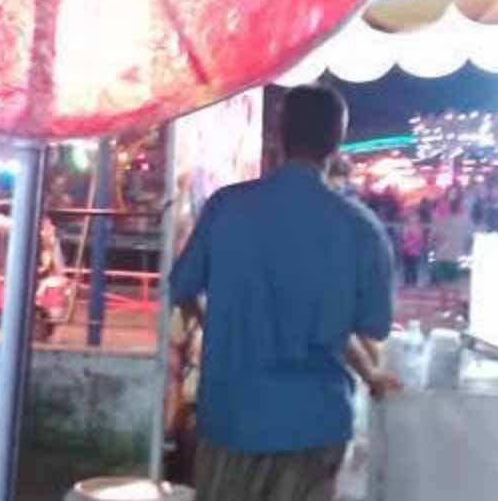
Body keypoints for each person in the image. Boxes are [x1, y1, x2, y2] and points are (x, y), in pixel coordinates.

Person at [170, 84, 397, 501]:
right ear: (336, 143)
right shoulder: (361, 229)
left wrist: (213, 322)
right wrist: (371, 372)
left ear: (278, 133)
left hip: (231, 420)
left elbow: (182, 288)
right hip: (315, 426)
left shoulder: (227, 207)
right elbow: (373, 326)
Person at [401, 211, 424, 287]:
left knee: (413, 268)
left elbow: (418, 240)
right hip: (407, 251)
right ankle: (407, 282)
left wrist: (409, 245)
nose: (412, 220)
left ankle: (413, 283)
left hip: (414, 252)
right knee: (407, 267)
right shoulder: (406, 227)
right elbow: (404, 238)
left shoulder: (418, 229)